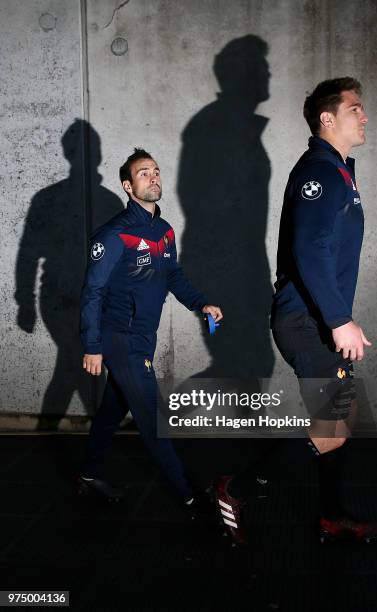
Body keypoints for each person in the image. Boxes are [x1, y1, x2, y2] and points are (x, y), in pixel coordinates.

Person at [215, 77, 377, 545]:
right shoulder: (319, 172)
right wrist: (338, 321)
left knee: (339, 418)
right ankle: (236, 488)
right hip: (305, 321)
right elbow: (308, 248)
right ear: (327, 118)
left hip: (318, 321)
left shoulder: (340, 170)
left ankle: (332, 515)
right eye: (356, 108)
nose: (365, 116)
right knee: (333, 425)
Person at [78, 147, 222, 512]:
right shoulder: (114, 235)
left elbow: (173, 275)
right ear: (128, 186)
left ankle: (89, 474)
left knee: (113, 408)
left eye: (156, 171)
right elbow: (92, 290)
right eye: (144, 173)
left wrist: (200, 303)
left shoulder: (164, 231)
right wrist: (92, 345)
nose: (154, 177)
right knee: (154, 420)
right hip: (119, 338)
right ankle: (190, 496)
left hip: (143, 335)